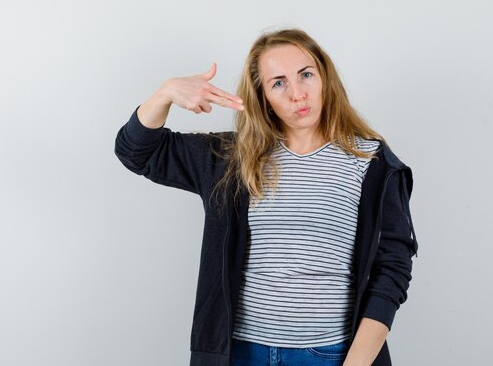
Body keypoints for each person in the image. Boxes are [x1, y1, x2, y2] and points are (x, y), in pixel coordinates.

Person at [114, 28, 418, 366]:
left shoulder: (373, 162)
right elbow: (137, 152)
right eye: (278, 83)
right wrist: (166, 93)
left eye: (305, 75)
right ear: (262, 97)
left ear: (325, 77)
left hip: (330, 355)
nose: (297, 93)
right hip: (241, 354)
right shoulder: (233, 158)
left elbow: (392, 269)